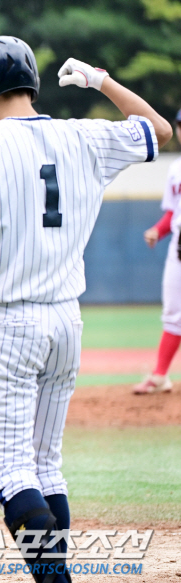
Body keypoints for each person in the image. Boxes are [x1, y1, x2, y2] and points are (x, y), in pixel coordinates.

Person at [0, 37, 171, 583]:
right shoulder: (88, 136)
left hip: (7, 323)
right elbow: (160, 130)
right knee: (45, 465)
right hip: (66, 322)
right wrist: (102, 81)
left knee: (9, 473)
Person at [133, 109, 181, 394]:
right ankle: (160, 375)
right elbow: (172, 214)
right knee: (174, 313)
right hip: (179, 247)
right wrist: (158, 231)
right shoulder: (176, 168)